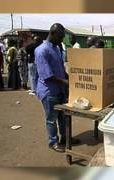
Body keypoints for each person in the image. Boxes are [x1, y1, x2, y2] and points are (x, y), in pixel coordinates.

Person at [35, 23, 79, 152]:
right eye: (60, 37)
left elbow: (60, 68)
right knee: (51, 119)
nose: (61, 40)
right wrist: (66, 82)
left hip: (60, 90)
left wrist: (70, 77)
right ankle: (53, 142)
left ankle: (65, 138)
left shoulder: (56, 48)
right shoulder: (41, 50)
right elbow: (47, 76)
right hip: (49, 91)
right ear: (52, 33)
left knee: (63, 117)